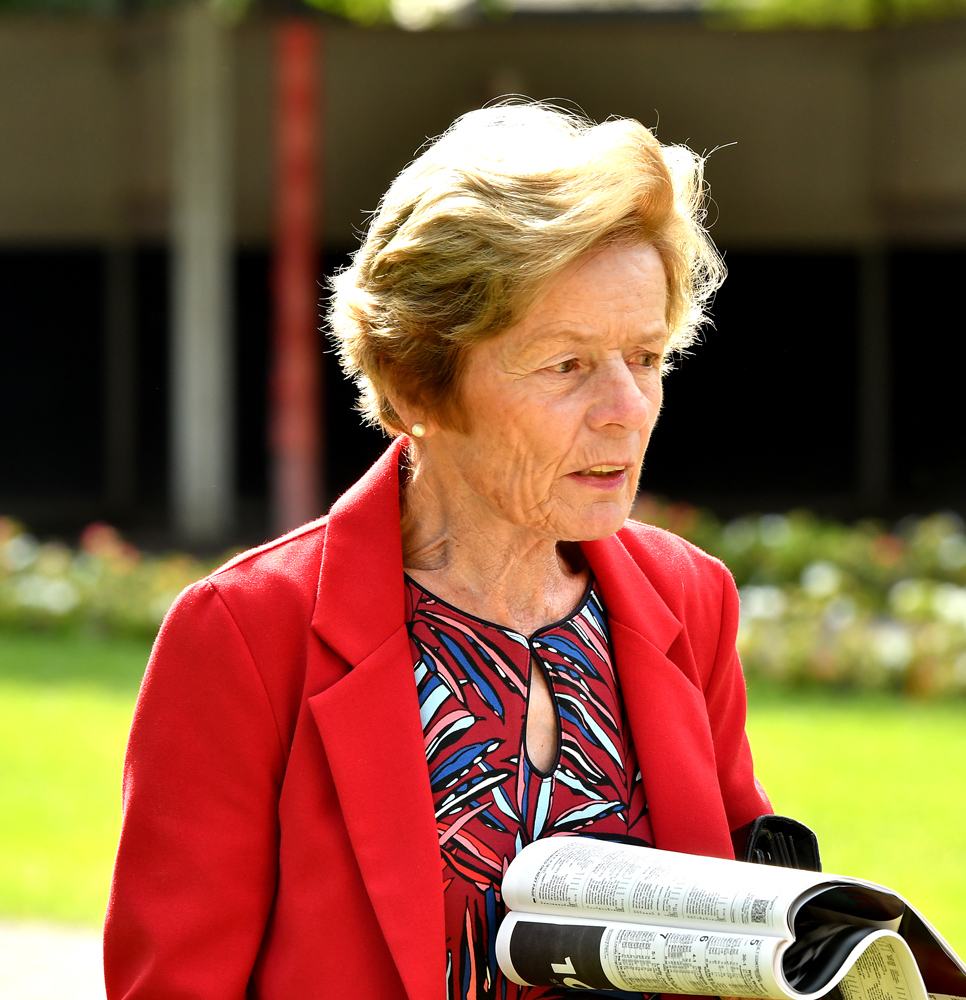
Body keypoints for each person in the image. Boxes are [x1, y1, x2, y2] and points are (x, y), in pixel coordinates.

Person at [104, 103, 772, 1000]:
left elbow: (744, 927)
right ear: (424, 377)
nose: (627, 407)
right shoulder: (243, 636)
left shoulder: (690, 599)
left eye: (646, 357)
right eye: (567, 365)